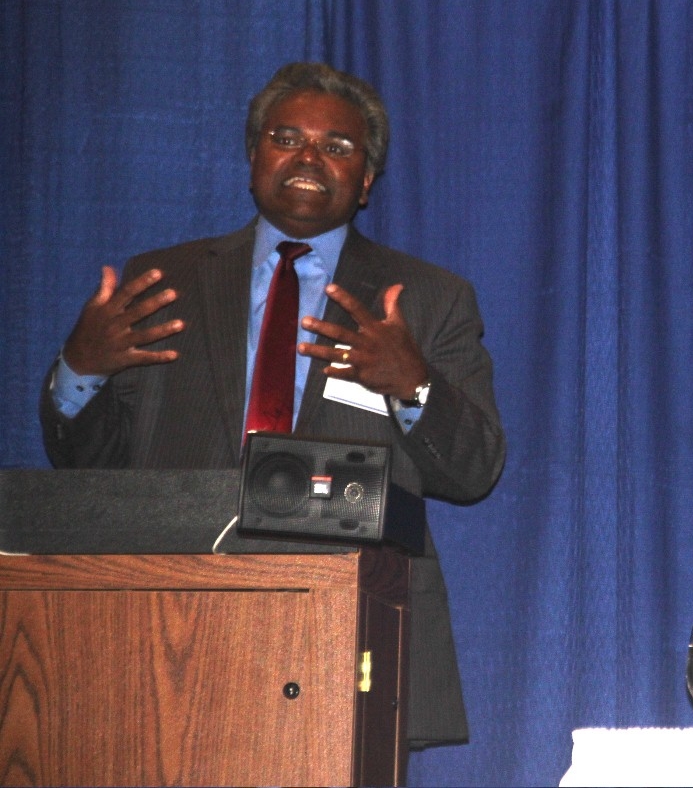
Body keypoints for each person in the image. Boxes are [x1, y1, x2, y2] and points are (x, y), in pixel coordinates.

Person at [39, 62, 504, 748]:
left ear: (368, 180)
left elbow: (475, 471)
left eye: (338, 146)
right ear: (254, 158)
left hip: (350, 639)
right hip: (169, 631)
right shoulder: (160, 283)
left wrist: (414, 385)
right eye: (287, 137)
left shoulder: (429, 300)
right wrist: (80, 371)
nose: (310, 157)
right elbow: (93, 469)